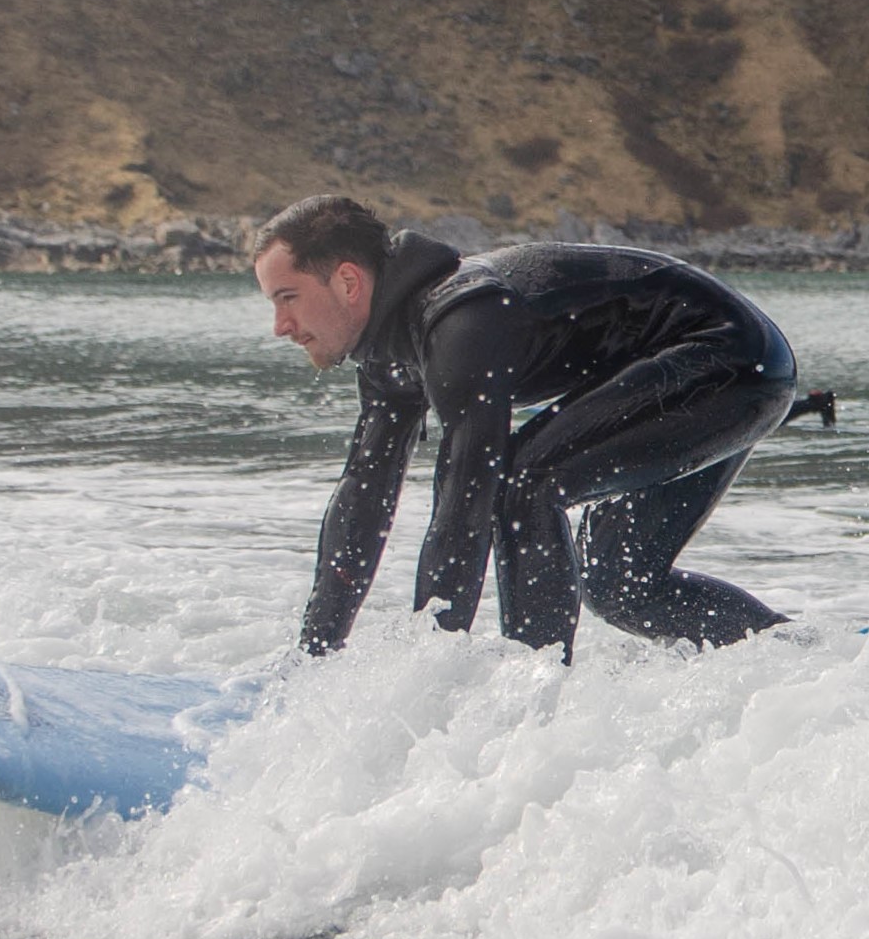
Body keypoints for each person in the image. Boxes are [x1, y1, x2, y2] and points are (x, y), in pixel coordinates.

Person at [252, 196, 811, 659]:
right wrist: (314, 656)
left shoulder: (460, 320)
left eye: (288, 298)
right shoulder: (388, 356)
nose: (280, 326)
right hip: (730, 369)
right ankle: (798, 657)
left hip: (725, 358)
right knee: (619, 585)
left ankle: (534, 693)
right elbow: (364, 501)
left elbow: (465, 501)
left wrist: (426, 666)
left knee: (524, 481)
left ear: (348, 282)